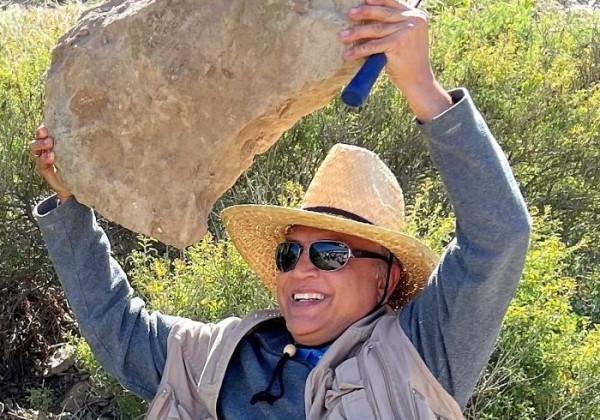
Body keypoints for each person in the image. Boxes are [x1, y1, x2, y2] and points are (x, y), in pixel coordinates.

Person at [31, 0, 531, 418]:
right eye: (290, 254)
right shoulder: (221, 355)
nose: (302, 269)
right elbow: (117, 330)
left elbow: (499, 237)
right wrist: (70, 204)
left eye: (331, 254)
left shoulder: (421, 359)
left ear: (387, 279)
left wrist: (422, 88)